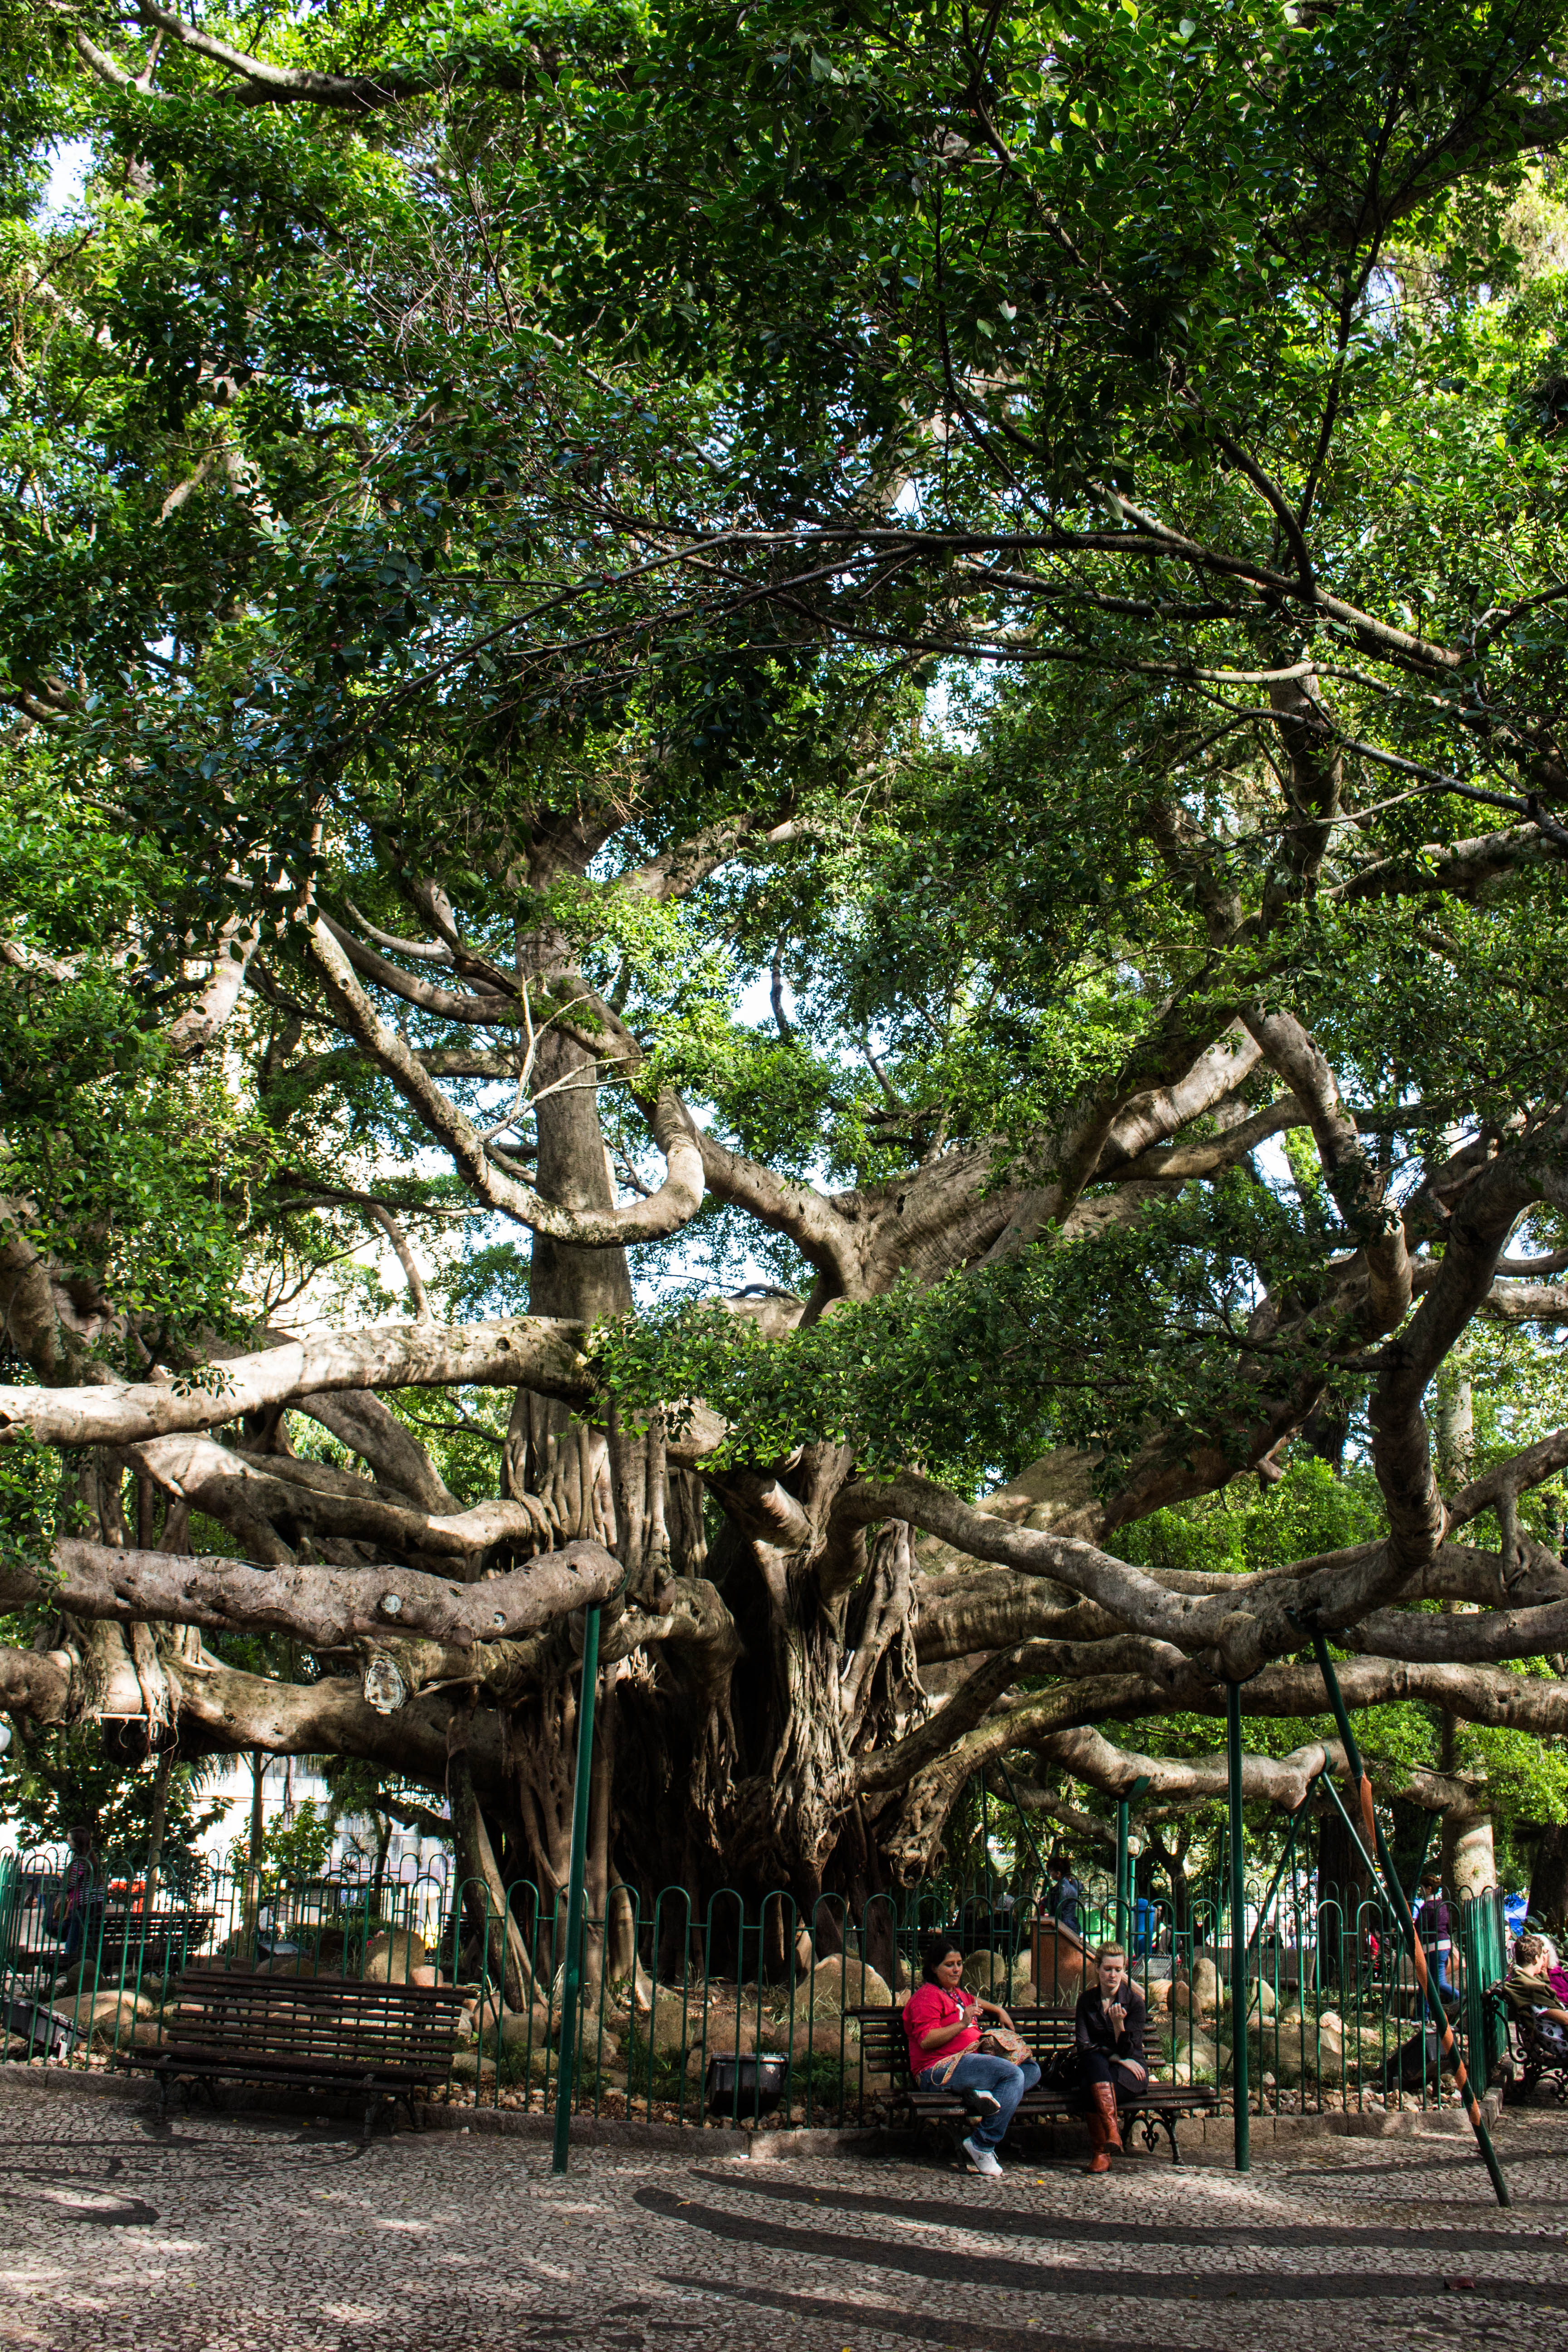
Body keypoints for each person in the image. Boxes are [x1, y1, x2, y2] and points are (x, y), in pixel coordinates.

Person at [902, 1934, 1041, 2178]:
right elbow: (927, 2040)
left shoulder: (954, 1994)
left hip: (970, 2064)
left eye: (959, 1963)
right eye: (949, 1965)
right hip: (939, 2069)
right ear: (934, 1968)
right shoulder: (927, 1997)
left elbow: (975, 2000)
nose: (956, 1969)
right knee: (1013, 2075)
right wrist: (964, 2023)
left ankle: (983, 2095)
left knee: (1031, 2069)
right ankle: (983, 2144)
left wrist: (998, 2009)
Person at [1073, 1941, 1148, 2175]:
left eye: (1118, 1969)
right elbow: (1083, 2046)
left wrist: (1118, 2026)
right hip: (1103, 2065)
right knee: (1094, 2062)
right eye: (1108, 1969)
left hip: (1130, 2073)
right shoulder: (1086, 2001)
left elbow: (1129, 2052)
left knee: (1089, 2087)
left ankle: (1101, 2153)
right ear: (1097, 1968)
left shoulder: (1135, 2003)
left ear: (1124, 1969)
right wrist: (1115, 2057)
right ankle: (1112, 2134)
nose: (1113, 1975)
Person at [1504, 1935, 1568, 2057]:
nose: (1544, 1959)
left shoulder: (1524, 1982)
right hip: (1560, 2041)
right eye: (1542, 1955)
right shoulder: (1531, 1988)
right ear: (1535, 1959)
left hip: (1557, 2035)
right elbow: (1564, 2019)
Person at [54, 1825, 97, 1965]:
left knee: (74, 1931)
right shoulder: (92, 1858)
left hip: (84, 1904)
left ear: (76, 1842)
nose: (67, 1842)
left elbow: (70, 1883)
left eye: (69, 1840)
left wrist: (63, 1879)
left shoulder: (80, 1860)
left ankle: (69, 1960)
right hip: (95, 1903)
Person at [1415, 1873, 1457, 2004]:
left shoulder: (1428, 1908)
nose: (1420, 1891)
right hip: (1444, 1944)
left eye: (1422, 1888)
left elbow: (1419, 1928)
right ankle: (1422, 2015)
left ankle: (1462, 1999)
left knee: (1438, 1982)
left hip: (1433, 1947)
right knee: (1426, 1981)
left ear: (1428, 1889)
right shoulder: (1443, 1905)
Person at [1044, 1855, 1082, 1937]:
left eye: (1051, 1871)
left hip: (1064, 1924)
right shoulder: (1072, 1883)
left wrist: (1045, 1901)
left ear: (1058, 1873)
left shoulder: (1064, 1887)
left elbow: (1058, 1908)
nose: (1050, 1874)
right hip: (1069, 1922)